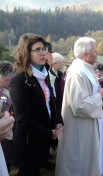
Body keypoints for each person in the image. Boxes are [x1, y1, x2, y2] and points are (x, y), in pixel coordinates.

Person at [9, 33, 63, 176]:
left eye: (44, 49)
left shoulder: (43, 74)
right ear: (26, 53)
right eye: (37, 50)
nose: (43, 53)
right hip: (28, 143)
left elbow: (51, 101)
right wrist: (48, 133)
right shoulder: (19, 80)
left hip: (41, 139)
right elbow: (23, 119)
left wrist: (58, 121)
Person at [55, 37, 103, 176]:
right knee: (80, 163)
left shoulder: (86, 69)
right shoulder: (77, 73)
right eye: (95, 51)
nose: (97, 54)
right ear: (85, 53)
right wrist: (100, 95)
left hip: (90, 123)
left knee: (90, 159)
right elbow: (79, 105)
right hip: (80, 127)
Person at [0, 61, 14, 171]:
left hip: (9, 131)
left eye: (9, 80)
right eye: (5, 80)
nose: (8, 83)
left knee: (7, 162)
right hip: (2, 135)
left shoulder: (6, 89)